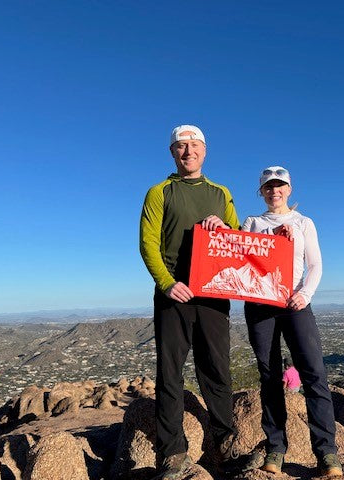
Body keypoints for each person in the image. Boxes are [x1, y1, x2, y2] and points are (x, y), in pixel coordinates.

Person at [140, 125, 240, 479]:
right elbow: (148, 243)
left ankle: (227, 447)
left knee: (217, 370)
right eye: (181, 146)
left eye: (194, 145)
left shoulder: (221, 192)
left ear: (205, 150)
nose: (188, 151)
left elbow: (238, 245)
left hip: (213, 295)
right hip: (174, 296)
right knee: (170, 374)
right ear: (172, 152)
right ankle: (171, 454)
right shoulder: (159, 192)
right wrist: (167, 284)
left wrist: (225, 230)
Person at [241, 166, 343, 477]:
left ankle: (326, 452)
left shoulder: (303, 222)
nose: (275, 191)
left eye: (280, 186)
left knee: (313, 373)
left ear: (290, 189)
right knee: (269, 374)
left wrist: (305, 294)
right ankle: (275, 447)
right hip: (260, 304)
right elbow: (242, 257)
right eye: (269, 187)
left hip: (295, 303)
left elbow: (315, 265)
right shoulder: (252, 222)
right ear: (262, 191)